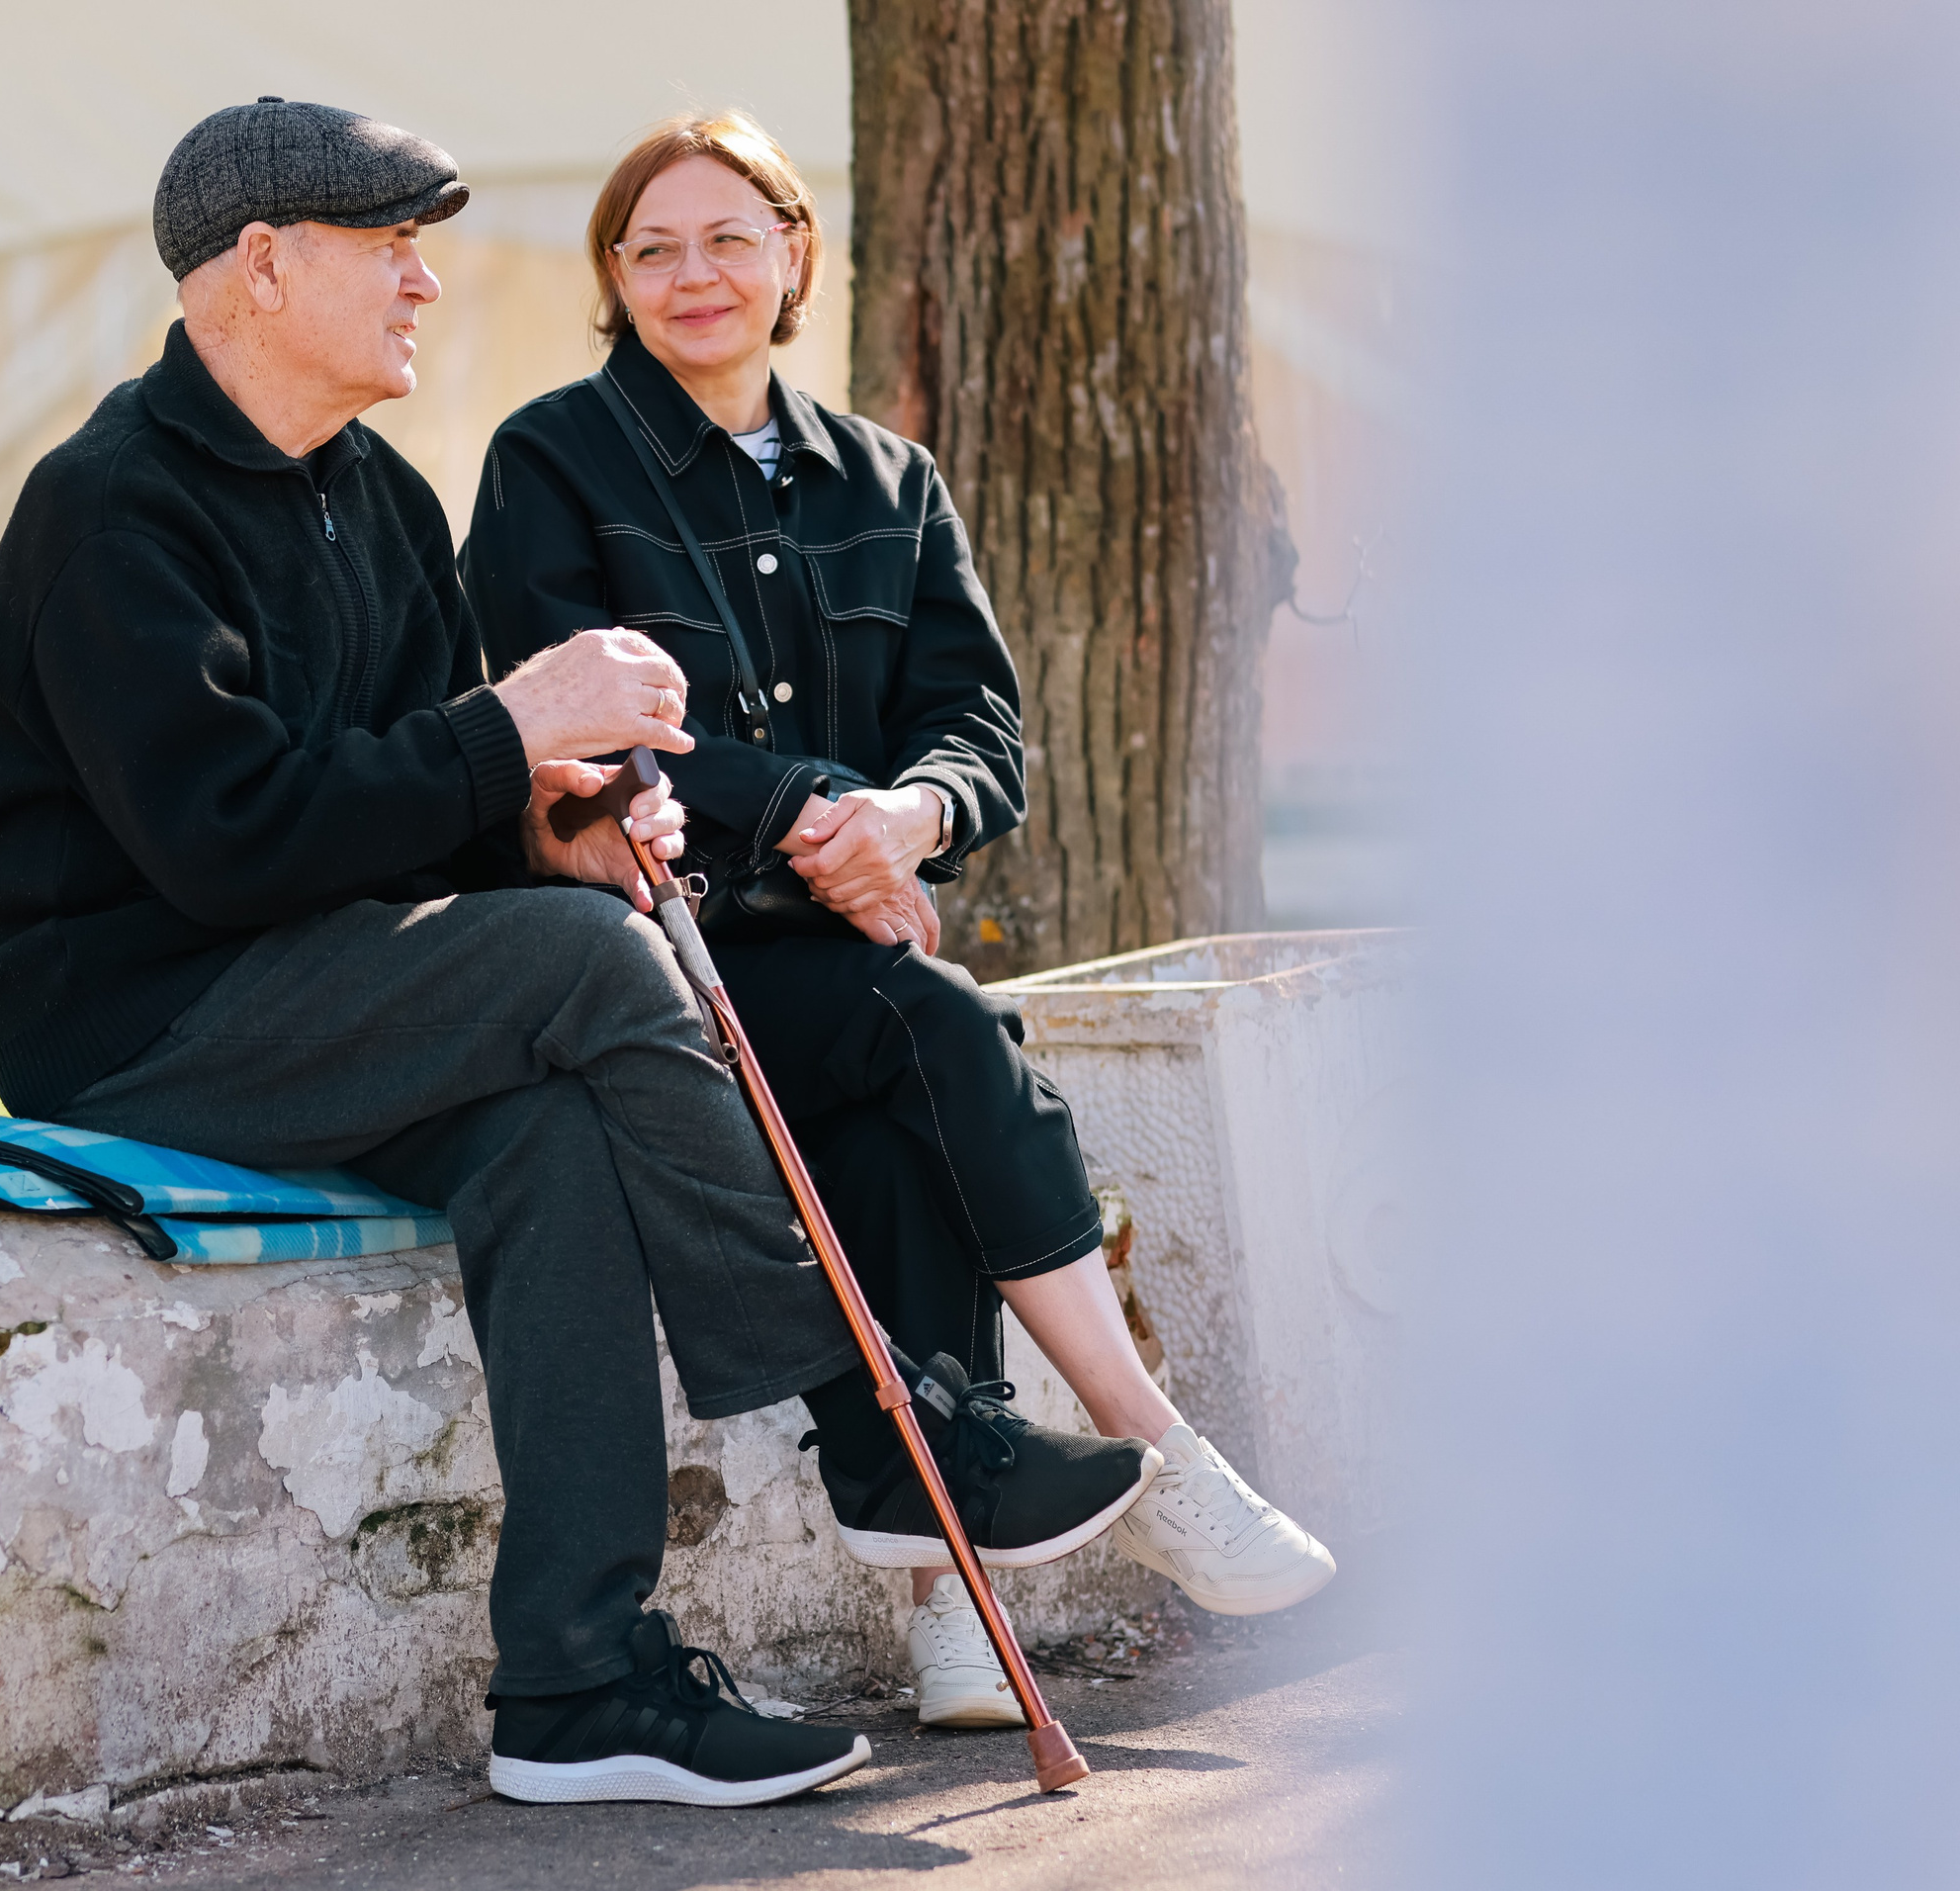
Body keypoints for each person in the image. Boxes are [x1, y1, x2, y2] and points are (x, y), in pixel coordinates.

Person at [0, 97, 1157, 1808]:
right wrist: (514, 728)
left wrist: (544, 831)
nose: (427, 281)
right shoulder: (109, 511)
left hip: (334, 983)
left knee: (555, 1133)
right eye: (390, 246)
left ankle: (578, 1687)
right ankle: (885, 1425)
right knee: (589, 969)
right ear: (264, 267)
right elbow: (228, 843)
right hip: (144, 1020)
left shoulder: (372, 493)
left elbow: (409, 811)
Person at [462, 110, 1338, 1731]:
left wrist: (907, 822)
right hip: (656, 960)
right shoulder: (551, 462)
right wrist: (814, 809)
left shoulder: (889, 479)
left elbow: (981, 728)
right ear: (615, 279)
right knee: (939, 1028)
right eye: (652, 248)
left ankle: (956, 1612)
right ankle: (1157, 1453)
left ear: (795, 252)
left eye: (730, 238)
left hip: (846, 965)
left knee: (904, 1114)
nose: (693, 274)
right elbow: (576, 719)